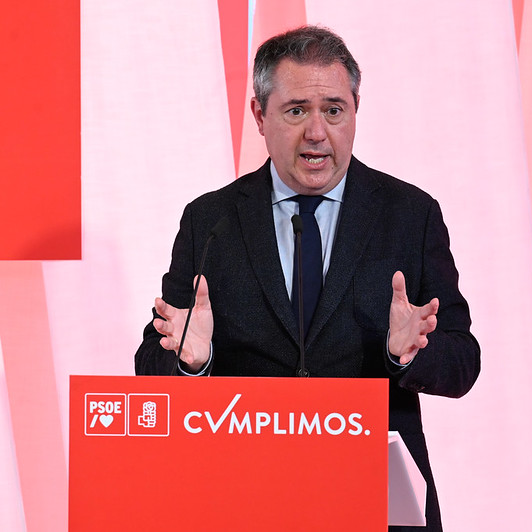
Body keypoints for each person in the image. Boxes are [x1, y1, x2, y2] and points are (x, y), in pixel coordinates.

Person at [134, 25, 480, 531]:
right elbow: (152, 361)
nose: (317, 132)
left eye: (334, 111)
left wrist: (409, 354)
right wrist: (194, 362)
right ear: (260, 115)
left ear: (355, 109)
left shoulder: (410, 215)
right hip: (247, 499)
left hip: (376, 501)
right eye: (296, 111)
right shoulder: (210, 221)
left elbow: (463, 362)